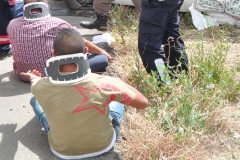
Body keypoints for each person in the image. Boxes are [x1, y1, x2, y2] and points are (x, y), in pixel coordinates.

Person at [20, 29, 148, 159]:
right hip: (103, 145)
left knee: (35, 101)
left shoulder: (40, 86)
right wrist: (119, 83)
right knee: (115, 100)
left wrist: (33, 78)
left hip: (61, 150)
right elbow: (143, 103)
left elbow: (34, 82)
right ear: (86, 52)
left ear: (53, 54)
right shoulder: (106, 83)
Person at [7, 0, 111, 82]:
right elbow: (81, 42)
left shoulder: (12, 24)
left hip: (23, 74)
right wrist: (102, 52)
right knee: (101, 59)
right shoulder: (57, 23)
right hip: (53, 75)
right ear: (46, 5)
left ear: (24, 7)